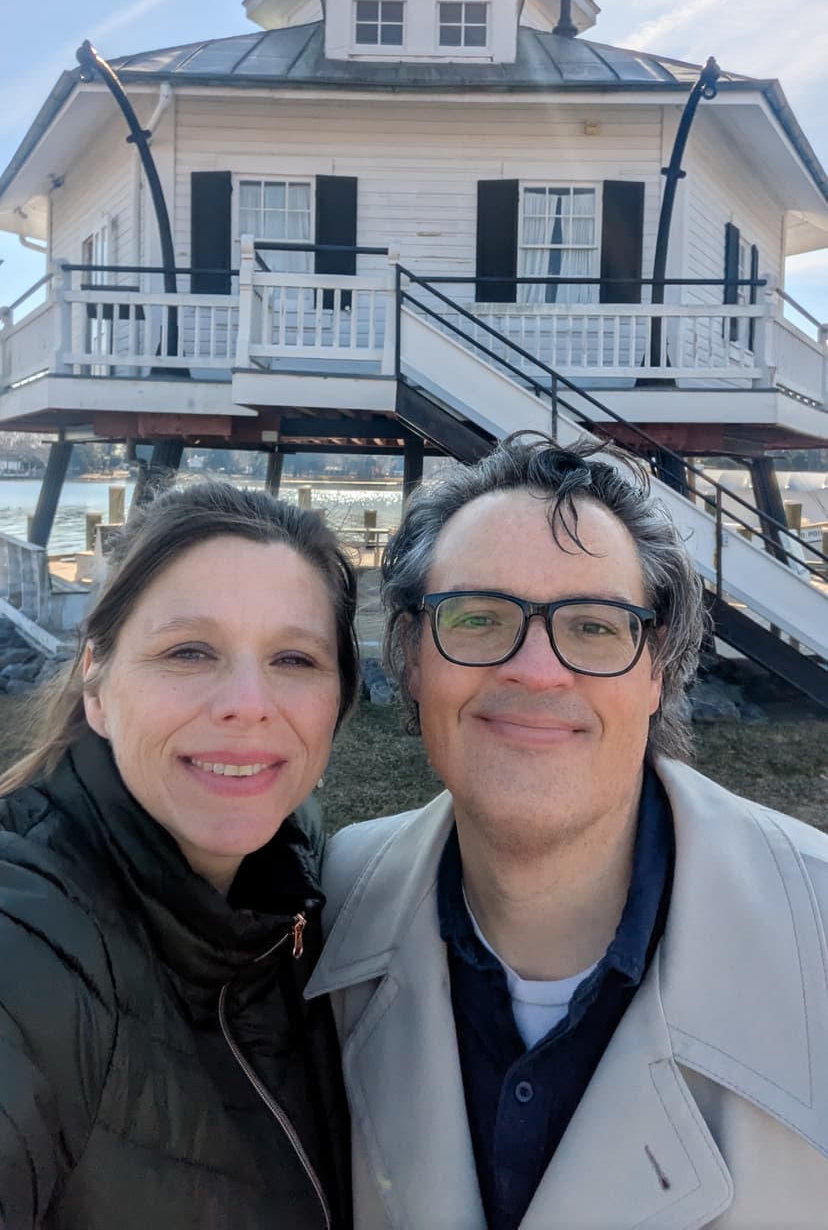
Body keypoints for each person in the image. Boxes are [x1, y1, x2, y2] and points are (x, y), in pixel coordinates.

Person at [308, 433, 828, 1230]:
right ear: (411, 657)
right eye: (477, 617)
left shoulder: (819, 931)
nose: (537, 670)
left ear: (657, 670)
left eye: (593, 626)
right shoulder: (333, 905)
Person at [0, 481, 358, 1230]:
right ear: (97, 685)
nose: (248, 702)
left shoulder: (307, 905)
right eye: (189, 651)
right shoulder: (25, 939)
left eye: (294, 658)